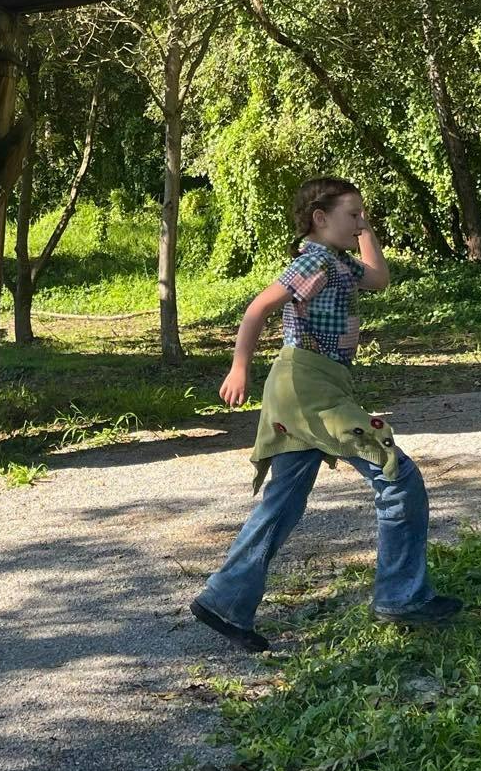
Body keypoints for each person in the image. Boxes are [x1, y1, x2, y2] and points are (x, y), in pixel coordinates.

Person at [189, 177, 460, 654]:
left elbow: (378, 278)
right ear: (320, 218)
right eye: (352, 214)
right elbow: (257, 310)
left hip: (312, 387)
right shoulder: (314, 260)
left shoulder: (337, 262)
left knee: (284, 502)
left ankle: (224, 600)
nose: (360, 223)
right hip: (307, 388)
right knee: (398, 476)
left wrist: (363, 229)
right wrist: (238, 367)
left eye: (362, 216)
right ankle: (402, 596)